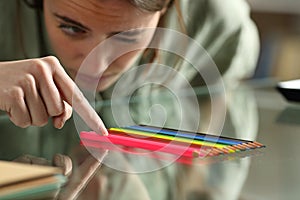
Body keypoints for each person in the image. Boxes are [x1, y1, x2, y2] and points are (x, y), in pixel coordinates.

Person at [0, 0, 260, 199]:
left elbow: (226, 88)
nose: (96, 65)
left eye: (126, 38)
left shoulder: (216, 17)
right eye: (71, 28)